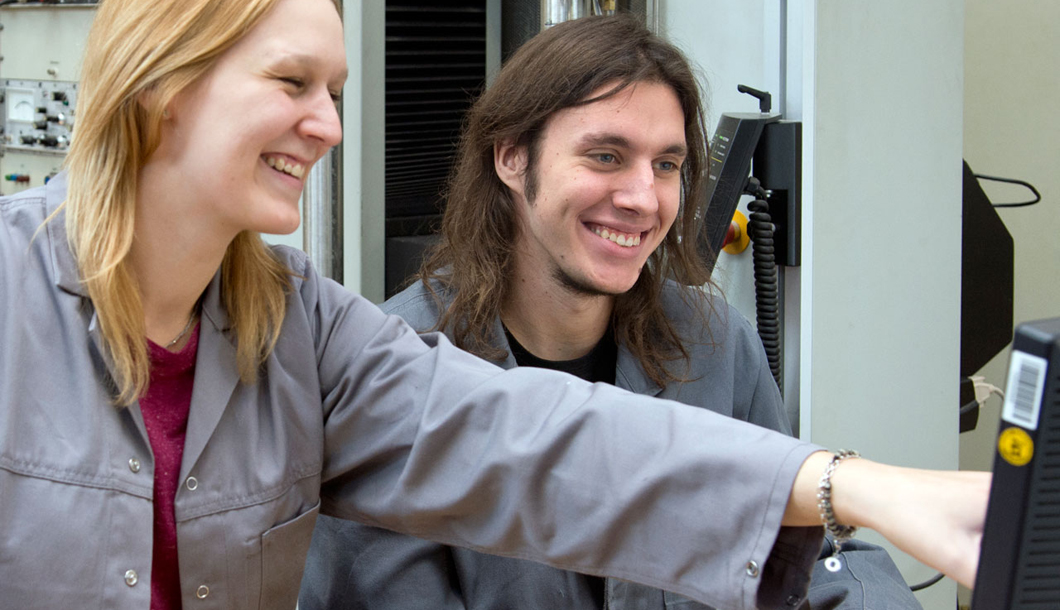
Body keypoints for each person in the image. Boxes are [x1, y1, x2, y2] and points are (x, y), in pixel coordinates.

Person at [0, 0, 987, 609]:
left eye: (336, 89)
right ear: (162, 88)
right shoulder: (15, 301)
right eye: (293, 82)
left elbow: (539, 443)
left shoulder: (301, 330)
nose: (331, 126)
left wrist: (859, 489)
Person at [300, 14, 930, 610]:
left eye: (666, 165)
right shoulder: (396, 373)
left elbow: (811, 556)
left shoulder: (713, 345)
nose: (642, 198)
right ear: (512, 158)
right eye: (605, 156)